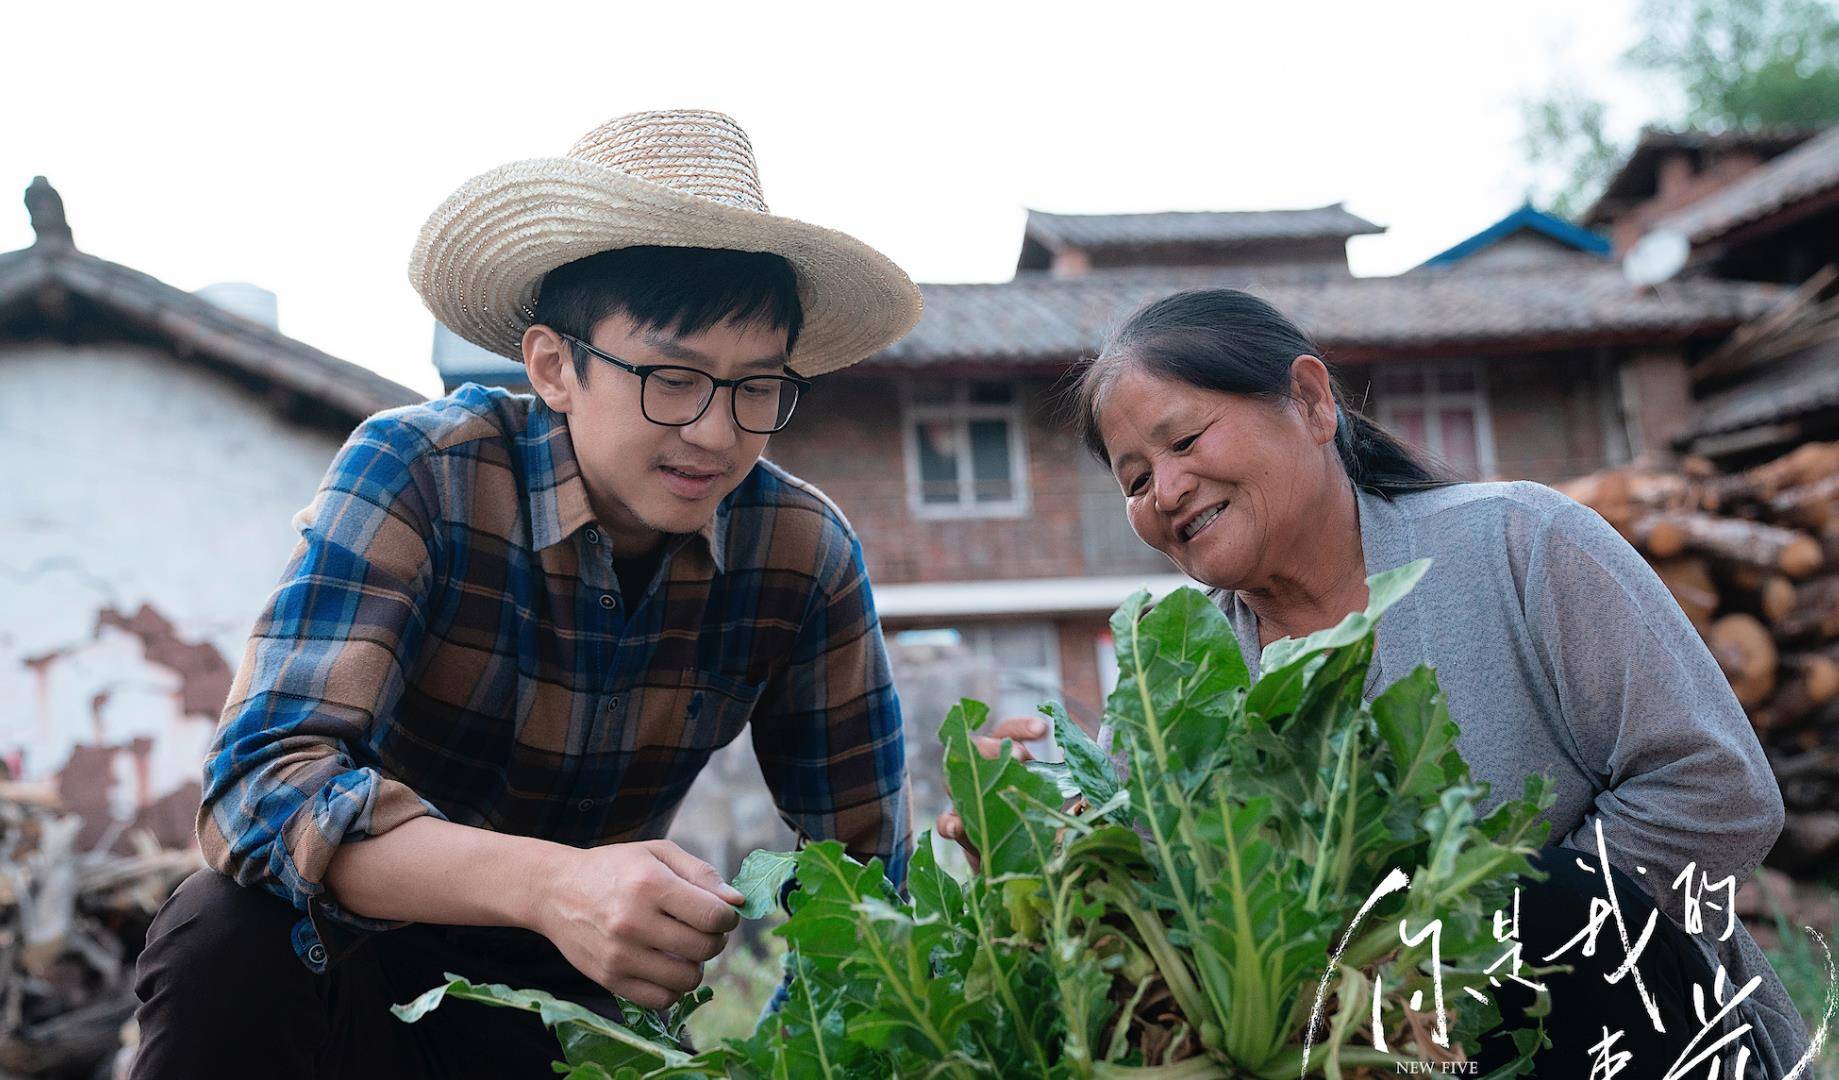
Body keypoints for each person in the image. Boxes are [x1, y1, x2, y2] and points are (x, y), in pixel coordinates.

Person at [131, 109, 922, 1079]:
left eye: (756, 386)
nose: (716, 433)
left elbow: (863, 873)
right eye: (673, 379)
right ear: (555, 366)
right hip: (351, 952)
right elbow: (256, 789)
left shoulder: (800, 555)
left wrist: (805, 1055)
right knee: (225, 926)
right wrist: (550, 883)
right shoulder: (423, 470)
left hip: (573, 999)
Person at [939, 288, 1810, 1076]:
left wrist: (1448, 945)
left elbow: (1721, 793)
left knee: (1551, 898)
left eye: (1186, 439)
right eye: (1134, 479)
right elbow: (1147, 913)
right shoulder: (1173, 669)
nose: (1165, 490)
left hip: (1620, 1039)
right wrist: (1025, 842)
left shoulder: (1520, 544)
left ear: (1312, 402)